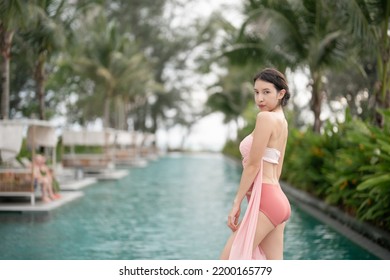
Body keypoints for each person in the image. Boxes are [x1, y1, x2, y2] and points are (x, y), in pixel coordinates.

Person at [220, 68, 291, 260]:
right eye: (256, 92)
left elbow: (253, 165)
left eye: (266, 92)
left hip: (265, 203)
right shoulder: (282, 121)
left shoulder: (265, 118)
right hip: (277, 200)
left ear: (281, 93)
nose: (260, 98)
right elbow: (278, 169)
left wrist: (237, 203)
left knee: (227, 261)